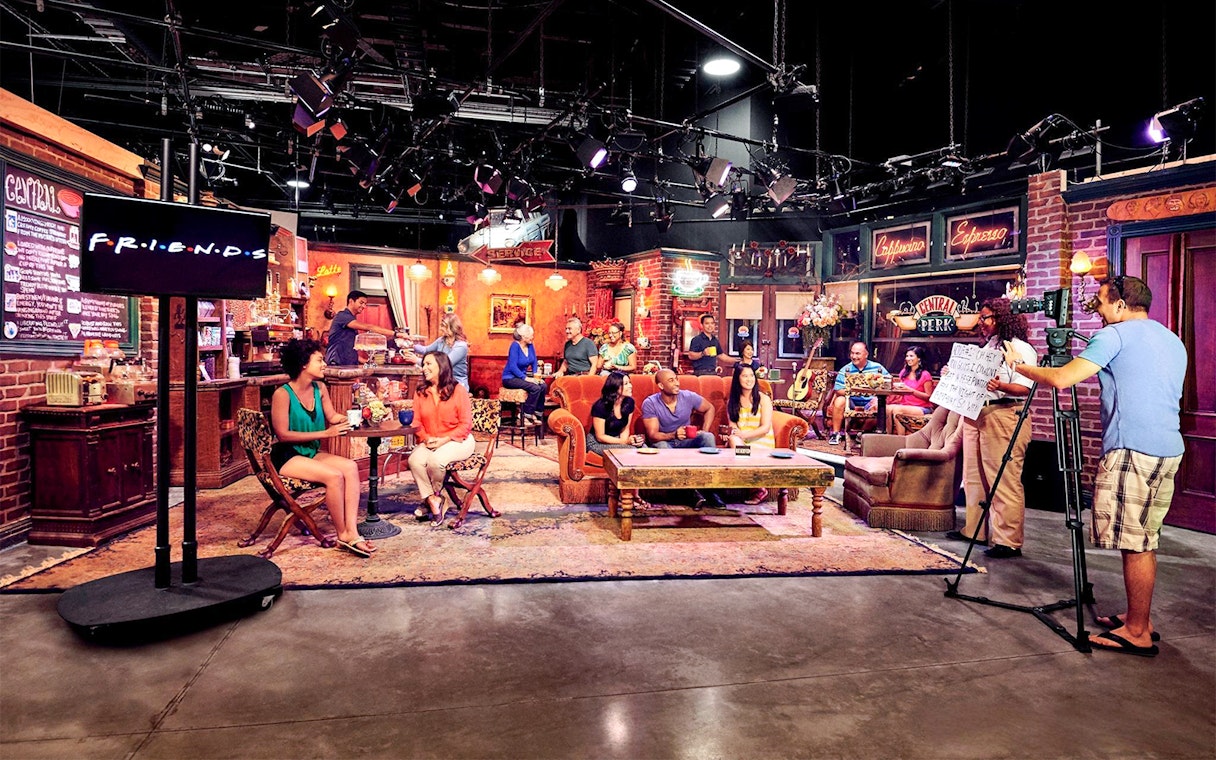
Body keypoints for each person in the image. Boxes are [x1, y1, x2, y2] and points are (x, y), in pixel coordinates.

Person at [1002, 275, 1185, 656]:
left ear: (1120, 305)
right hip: (1168, 449)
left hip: (1132, 450)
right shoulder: (1171, 339)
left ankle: (1136, 632)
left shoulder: (1114, 335)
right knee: (1145, 538)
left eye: (1101, 303)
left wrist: (1019, 367)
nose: (1097, 311)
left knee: (1133, 544)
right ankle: (1139, 618)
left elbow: (1062, 378)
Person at [945, 297, 1038, 558]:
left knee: (1003, 477)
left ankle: (1008, 540)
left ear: (1002, 317)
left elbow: (1026, 387)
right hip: (977, 412)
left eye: (986, 317)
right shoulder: (988, 347)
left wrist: (1000, 386)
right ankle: (974, 530)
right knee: (973, 476)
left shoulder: (1019, 348)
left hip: (1004, 413)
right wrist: (954, 375)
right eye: (981, 317)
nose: (981, 322)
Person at [269, 338, 374, 558]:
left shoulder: (320, 388)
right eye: (319, 360)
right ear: (303, 364)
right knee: (334, 476)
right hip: (287, 455)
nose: (324, 364)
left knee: (350, 467)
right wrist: (326, 433)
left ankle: (352, 532)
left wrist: (354, 418)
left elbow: (332, 416)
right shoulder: (282, 394)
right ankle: (342, 535)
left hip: (310, 451)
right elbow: (283, 435)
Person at [408, 351, 475, 526]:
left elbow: (465, 424)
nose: (424, 368)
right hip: (431, 440)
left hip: (458, 439)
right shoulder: (421, 392)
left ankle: (433, 497)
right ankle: (434, 499)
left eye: (429, 364)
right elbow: (416, 421)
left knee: (435, 461)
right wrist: (425, 438)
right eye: (423, 364)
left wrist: (444, 440)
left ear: (441, 366)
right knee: (414, 460)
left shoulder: (458, 390)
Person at [641, 368, 724, 509]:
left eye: (676, 379)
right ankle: (688, 493)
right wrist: (673, 434)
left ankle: (711, 491)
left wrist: (704, 429)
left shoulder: (688, 396)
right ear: (661, 385)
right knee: (663, 448)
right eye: (671, 380)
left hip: (686, 441)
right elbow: (653, 435)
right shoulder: (650, 403)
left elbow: (709, 408)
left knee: (707, 437)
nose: (677, 383)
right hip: (664, 441)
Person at [727, 363, 775, 506]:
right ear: (738, 379)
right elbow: (733, 427)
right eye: (745, 376)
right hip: (742, 444)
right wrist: (736, 435)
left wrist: (743, 435)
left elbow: (765, 428)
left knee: (737, 444)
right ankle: (758, 487)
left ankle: (757, 487)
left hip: (762, 441)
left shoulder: (763, 399)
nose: (749, 379)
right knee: (733, 439)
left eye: (751, 376)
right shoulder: (732, 402)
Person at [827, 341, 890, 446]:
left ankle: (863, 434)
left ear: (866, 354)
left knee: (880, 405)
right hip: (851, 401)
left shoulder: (878, 368)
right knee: (839, 400)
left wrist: (877, 396)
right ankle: (835, 434)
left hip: (870, 401)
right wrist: (854, 392)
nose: (854, 356)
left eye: (857, 353)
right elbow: (838, 390)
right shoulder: (845, 369)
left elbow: (888, 384)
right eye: (852, 353)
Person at [325, 290, 407, 366]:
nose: (364, 306)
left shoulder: (351, 319)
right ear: (351, 301)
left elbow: (348, 349)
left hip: (349, 364)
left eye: (365, 304)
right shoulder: (342, 316)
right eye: (361, 303)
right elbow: (369, 327)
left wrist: (366, 361)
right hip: (336, 363)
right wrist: (397, 334)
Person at [587, 371, 644, 456]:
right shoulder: (601, 406)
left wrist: (630, 441)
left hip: (616, 439)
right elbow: (600, 436)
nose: (630, 386)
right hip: (597, 442)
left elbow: (625, 429)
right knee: (632, 451)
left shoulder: (629, 402)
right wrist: (625, 442)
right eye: (626, 384)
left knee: (643, 448)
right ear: (615, 387)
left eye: (630, 382)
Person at [501, 323, 547, 424]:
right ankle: (525, 414)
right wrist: (526, 378)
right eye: (531, 335)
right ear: (523, 336)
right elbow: (512, 367)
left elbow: (534, 361)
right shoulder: (514, 346)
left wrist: (536, 376)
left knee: (543, 385)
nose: (532, 337)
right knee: (535, 388)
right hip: (510, 378)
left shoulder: (530, 345)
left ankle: (536, 413)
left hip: (521, 377)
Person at [886, 346, 936, 435]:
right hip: (905, 404)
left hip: (922, 407)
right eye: (907, 356)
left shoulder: (925, 375)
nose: (908, 358)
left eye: (911, 356)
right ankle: (888, 437)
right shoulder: (904, 372)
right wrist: (897, 388)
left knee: (898, 410)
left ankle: (901, 439)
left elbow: (929, 396)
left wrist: (911, 391)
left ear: (919, 358)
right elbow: (901, 390)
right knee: (886, 409)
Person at [412, 312, 469, 390]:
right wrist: (412, 346)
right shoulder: (441, 340)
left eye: (444, 326)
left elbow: (444, 364)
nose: (441, 328)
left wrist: (417, 360)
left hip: (457, 384)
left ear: (452, 327)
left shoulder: (461, 346)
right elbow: (426, 350)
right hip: (443, 382)